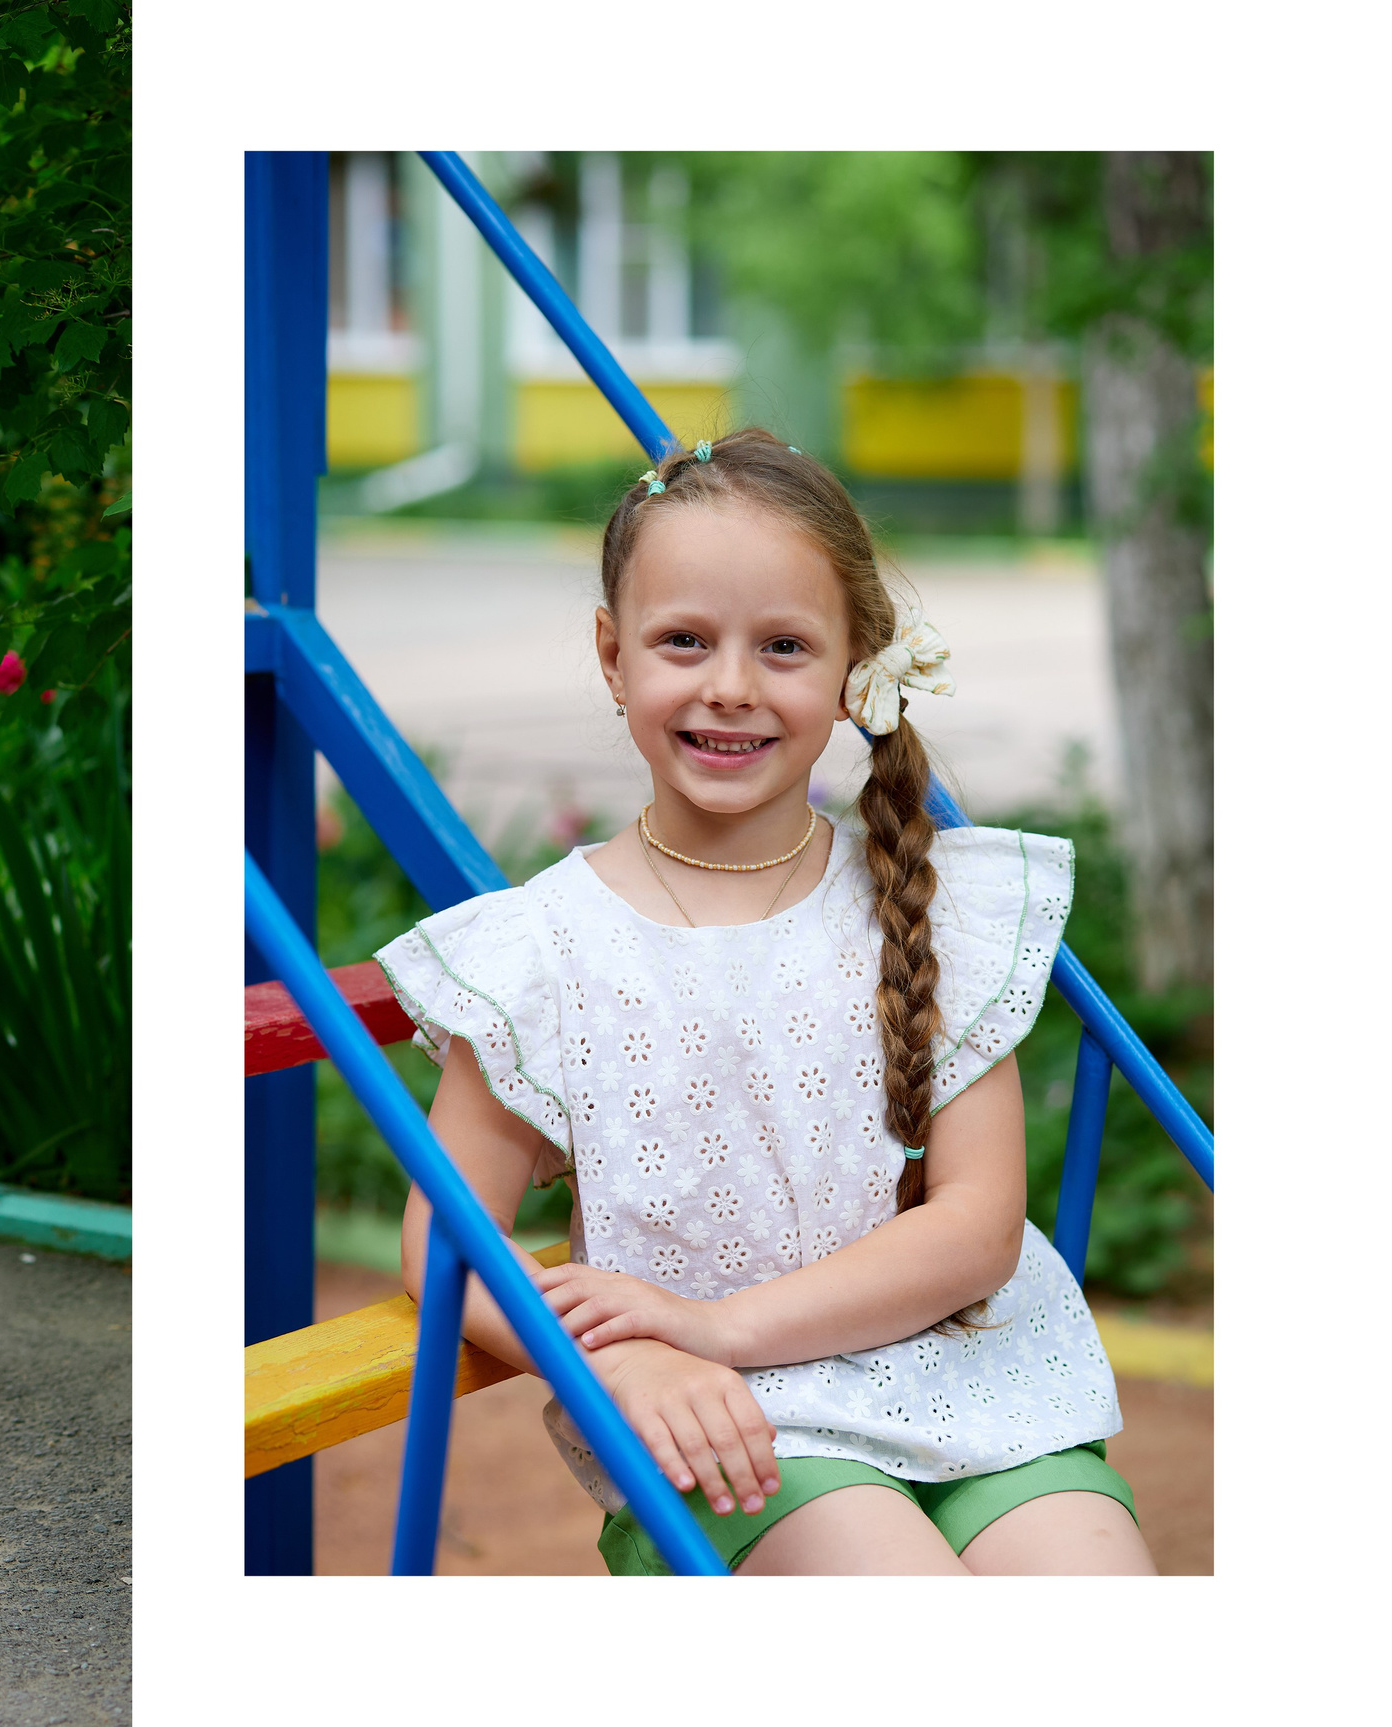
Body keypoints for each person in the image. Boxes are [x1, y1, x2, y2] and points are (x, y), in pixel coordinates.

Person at [377, 430, 1155, 1575]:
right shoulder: (542, 950)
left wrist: (717, 1320)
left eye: (783, 645)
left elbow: (977, 1225)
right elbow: (447, 1235)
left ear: (854, 669)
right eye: (683, 639)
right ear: (612, 655)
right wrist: (624, 1361)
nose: (730, 685)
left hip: (974, 1382)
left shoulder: (926, 905)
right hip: (731, 1422)